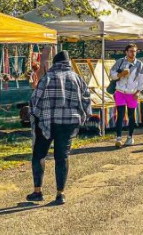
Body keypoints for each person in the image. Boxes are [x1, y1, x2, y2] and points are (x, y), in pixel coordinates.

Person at [27, 50, 91, 205]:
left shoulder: (47, 78)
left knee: (39, 155)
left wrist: (35, 116)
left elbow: (35, 100)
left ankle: (38, 191)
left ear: (54, 63)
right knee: (62, 157)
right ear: (68, 63)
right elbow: (87, 100)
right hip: (68, 123)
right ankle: (60, 194)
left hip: (47, 123)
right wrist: (81, 117)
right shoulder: (77, 78)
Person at [110, 44, 143, 148]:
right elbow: (112, 74)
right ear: (126, 52)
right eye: (130, 51)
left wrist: (138, 91)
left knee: (131, 115)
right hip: (120, 92)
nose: (133, 53)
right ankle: (119, 138)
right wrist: (121, 74)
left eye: (134, 51)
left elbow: (142, 79)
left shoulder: (139, 64)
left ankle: (130, 137)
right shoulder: (120, 62)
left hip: (132, 93)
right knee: (120, 114)